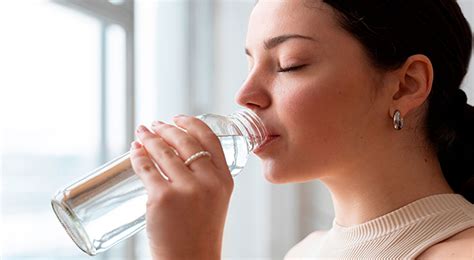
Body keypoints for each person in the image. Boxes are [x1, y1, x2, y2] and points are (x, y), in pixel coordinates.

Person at [129, 0, 474, 258]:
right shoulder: (304, 254)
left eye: (289, 64)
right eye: (249, 64)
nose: (244, 95)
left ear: (406, 86)